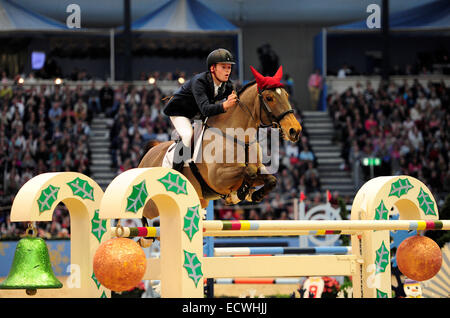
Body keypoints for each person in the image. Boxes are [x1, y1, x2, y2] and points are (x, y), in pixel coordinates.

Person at [162, 48, 238, 172]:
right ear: (213, 68)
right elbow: (206, 109)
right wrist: (225, 105)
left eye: (229, 67)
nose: (227, 71)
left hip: (197, 114)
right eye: (223, 67)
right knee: (187, 135)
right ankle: (174, 172)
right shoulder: (200, 81)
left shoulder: (228, 85)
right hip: (180, 112)